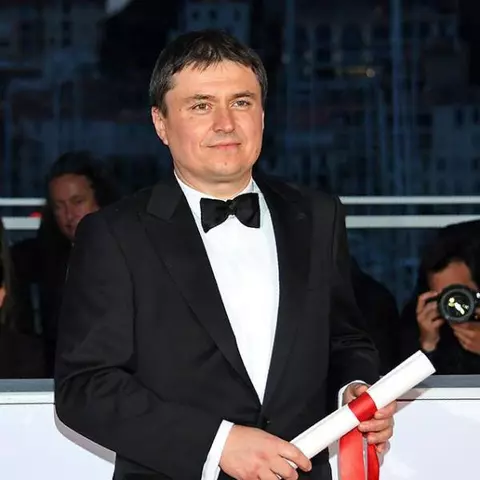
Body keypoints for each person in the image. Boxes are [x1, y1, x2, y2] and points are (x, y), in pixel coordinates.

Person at [54, 30, 395, 480]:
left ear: (262, 114)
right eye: (200, 106)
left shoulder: (317, 215)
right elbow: (84, 388)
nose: (225, 123)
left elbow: (345, 340)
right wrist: (217, 444)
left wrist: (354, 392)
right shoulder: (114, 234)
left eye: (241, 102)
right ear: (160, 123)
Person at [11, 151, 120, 376]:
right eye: (59, 206)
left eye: (77, 202)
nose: (69, 215)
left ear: (101, 201)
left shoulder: (132, 254)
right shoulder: (31, 261)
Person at [400, 221, 480, 374]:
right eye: (443, 296)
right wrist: (427, 346)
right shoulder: (421, 319)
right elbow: (404, 384)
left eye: (460, 294)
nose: (452, 303)